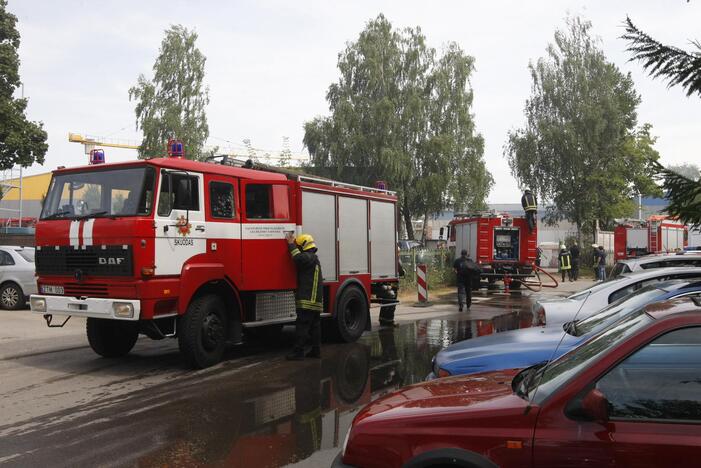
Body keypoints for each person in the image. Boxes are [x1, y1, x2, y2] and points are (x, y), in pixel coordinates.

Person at [285, 232, 323, 360]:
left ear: (303, 246)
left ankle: (298, 352)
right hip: (315, 300)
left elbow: (297, 258)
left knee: (302, 325)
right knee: (315, 326)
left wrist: (290, 244)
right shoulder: (314, 258)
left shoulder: (308, 257)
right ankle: (316, 351)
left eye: (299, 246)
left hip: (308, 300)